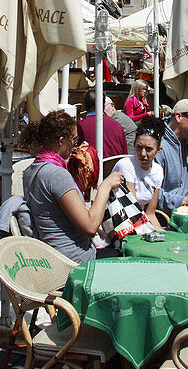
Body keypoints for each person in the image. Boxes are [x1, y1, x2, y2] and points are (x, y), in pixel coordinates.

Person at [21, 110, 124, 263]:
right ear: (61, 141)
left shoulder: (31, 171)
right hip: (73, 259)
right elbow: (90, 227)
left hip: (50, 254)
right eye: (74, 140)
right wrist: (105, 186)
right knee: (129, 256)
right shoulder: (57, 175)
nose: (76, 145)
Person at [113, 117, 164, 231]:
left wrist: (161, 233)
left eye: (149, 149)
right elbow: (133, 210)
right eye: (139, 147)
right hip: (122, 223)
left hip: (140, 223)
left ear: (158, 150)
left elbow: (150, 213)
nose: (143, 154)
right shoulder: (126, 165)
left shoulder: (158, 171)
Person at [78, 89, 128, 160]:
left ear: (85, 106)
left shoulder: (79, 127)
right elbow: (124, 155)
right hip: (114, 168)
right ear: (104, 105)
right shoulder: (117, 126)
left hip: (90, 168)